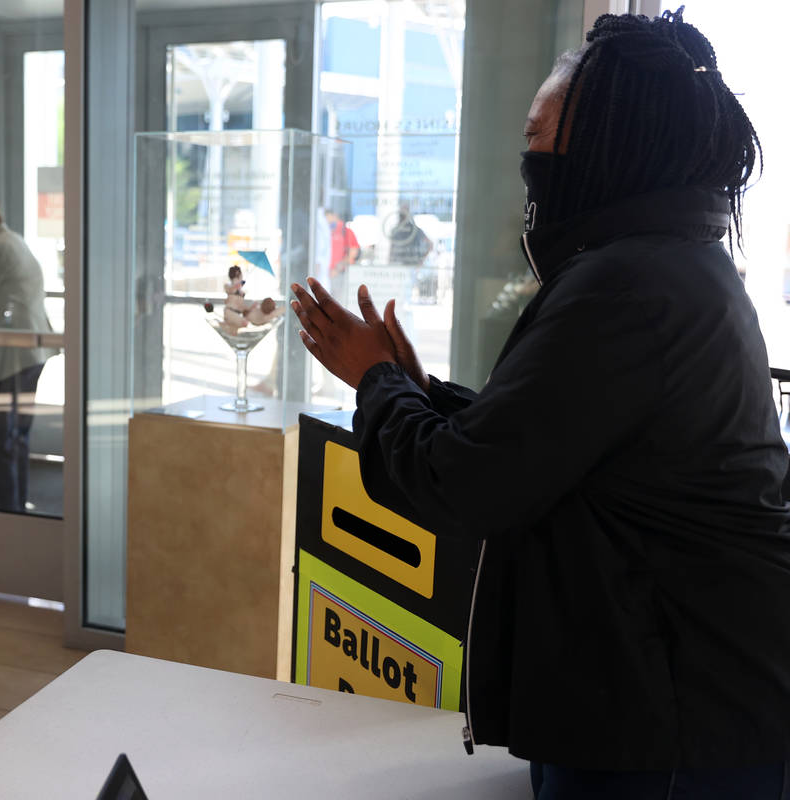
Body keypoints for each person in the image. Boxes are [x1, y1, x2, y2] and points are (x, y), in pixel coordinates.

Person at [292, 10, 790, 799]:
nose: (525, 162)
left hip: (671, 728)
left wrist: (377, 383)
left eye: (536, 140)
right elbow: (548, 441)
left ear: (600, 149)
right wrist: (420, 395)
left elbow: (469, 484)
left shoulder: (625, 287)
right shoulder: (680, 264)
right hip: (691, 698)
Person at [0, 192, 57, 513]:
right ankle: (15, 511)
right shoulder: (13, 241)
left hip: (7, 360)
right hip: (26, 356)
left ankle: (6, 514)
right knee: (15, 440)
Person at [326, 209, 360, 307]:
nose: (327, 221)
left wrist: (337, 269)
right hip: (326, 274)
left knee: (337, 304)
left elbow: (353, 252)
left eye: (328, 217)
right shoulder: (326, 231)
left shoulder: (345, 231)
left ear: (334, 216)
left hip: (339, 273)